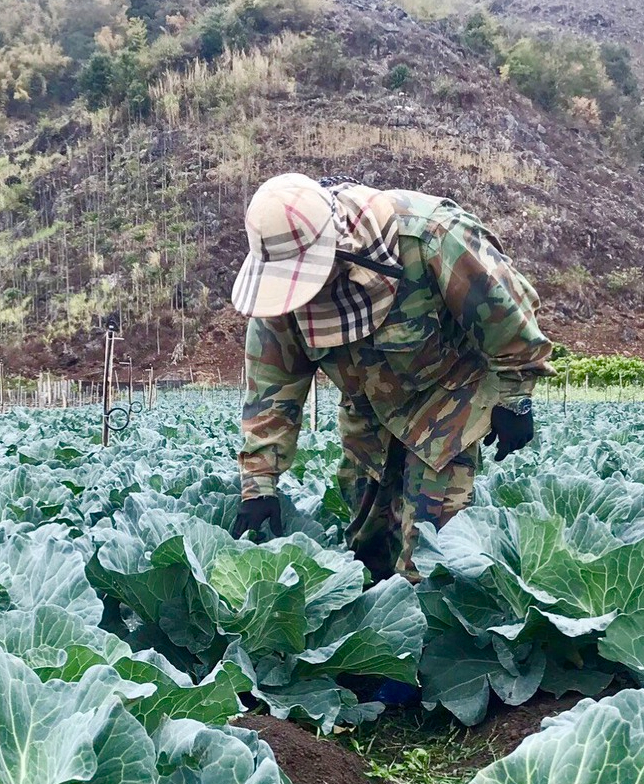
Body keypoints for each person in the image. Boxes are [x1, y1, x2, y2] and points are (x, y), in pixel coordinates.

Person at [230, 173, 554, 583]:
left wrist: (515, 396)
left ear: (338, 249)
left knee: (432, 557)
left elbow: (508, 318)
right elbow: (273, 390)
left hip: (446, 403)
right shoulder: (278, 290)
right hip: (367, 421)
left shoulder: (430, 237)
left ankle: (435, 639)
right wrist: (259, 482)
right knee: (366, 554)